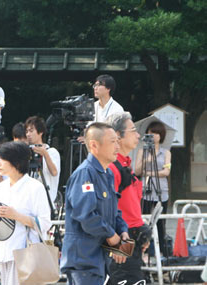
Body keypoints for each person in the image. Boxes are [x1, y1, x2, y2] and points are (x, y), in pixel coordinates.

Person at [60, 123, 129, 285]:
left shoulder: (108, 173)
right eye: (113, 142)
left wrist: (123, 232)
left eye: (118, 141)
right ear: (94, 145)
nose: (117, 146)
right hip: (84, 261)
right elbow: (86, 216)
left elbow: (114, 211)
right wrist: (113, 236)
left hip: (99, 260)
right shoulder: (85, 174)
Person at [0, 141, 52, 285]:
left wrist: (17, 216)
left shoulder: (35, 188)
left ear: (16, 163)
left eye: (2, 159)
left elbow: (45, 222)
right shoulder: (0, 188)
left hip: (25, 253)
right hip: (4, 250)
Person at [105, 112, 150, 284]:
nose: (138, 135)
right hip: (121, 237)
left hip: (131, 235)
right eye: (133, 130)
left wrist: (143, 233)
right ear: (118, 136)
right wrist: (115, 244)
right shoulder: (111, 167)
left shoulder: (125, 165)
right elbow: (108, 209)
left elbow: (131, 206)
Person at [135, 121, 172, 255]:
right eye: (150, 133)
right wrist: (147, 161)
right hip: (145, 190)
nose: (153, 136)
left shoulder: (166, 152)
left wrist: (148, 172)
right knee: (144, 221)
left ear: (161, 135)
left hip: (161, 191)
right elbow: (137, 171)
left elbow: (166, 172)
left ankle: (162, 252)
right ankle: (143, 251)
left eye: (156, 133)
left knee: (161, 223)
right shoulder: (142, 151)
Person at [25, 116, 61, 203]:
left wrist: (45, 154)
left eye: (31, 131)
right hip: (29, 199)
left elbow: (54, 172)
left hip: (46, 200)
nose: (28, 134)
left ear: (40, 132)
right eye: (26, 131)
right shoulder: (26, 152)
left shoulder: (52, 152)